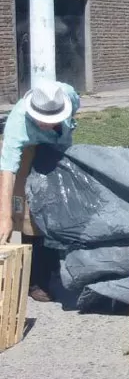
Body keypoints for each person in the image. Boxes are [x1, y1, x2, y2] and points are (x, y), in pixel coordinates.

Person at [0, 80, 81, 301]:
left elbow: (74, 114)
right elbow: (7, 170)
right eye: (42, 121)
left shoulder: (68, 95)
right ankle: (35, 281)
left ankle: (54, 272)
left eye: (52, 120)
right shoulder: (18, 125)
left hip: (57, 151)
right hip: (30, 152)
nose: (46, 123)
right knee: (30, 216)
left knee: (57, 208)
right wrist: (5, 217)